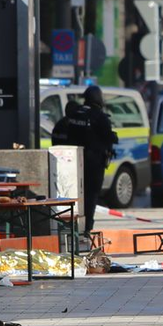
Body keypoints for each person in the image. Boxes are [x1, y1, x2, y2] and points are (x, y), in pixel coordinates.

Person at [56, 85, 117, 237]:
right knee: (91, 195)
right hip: (93, 163)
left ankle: (69, 227)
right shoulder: (99, 116)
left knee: (71, 193)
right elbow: (109, 137)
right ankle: (86, 228)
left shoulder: (75, 114)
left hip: (72, 162)